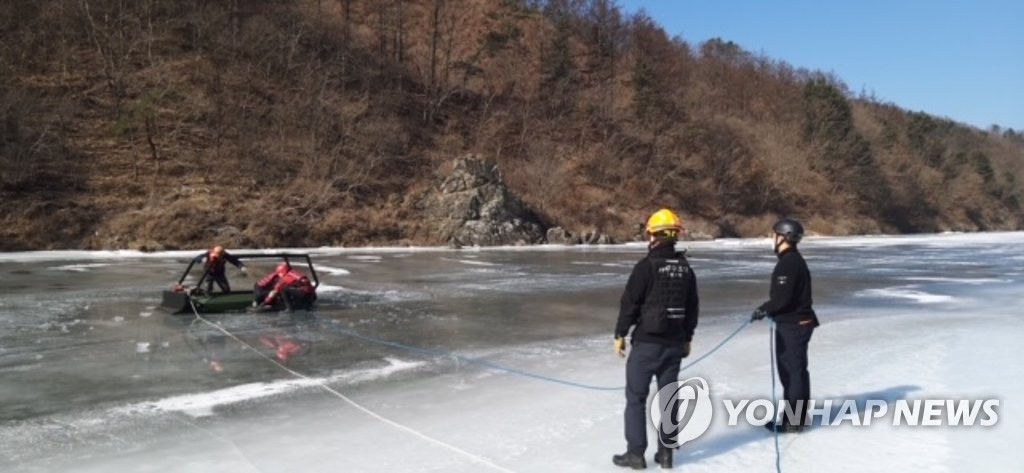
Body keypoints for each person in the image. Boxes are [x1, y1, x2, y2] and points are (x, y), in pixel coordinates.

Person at [613, 208, 700, 470]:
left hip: (647, 345)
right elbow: (692, 308)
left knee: (636, 398)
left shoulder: (645, 267)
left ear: (654, 236)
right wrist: (687, 338)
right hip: (674, 345)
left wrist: (620, 334)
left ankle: (635, 454)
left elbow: (629, 304)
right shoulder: (686, 269)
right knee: (668, 398)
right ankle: (666, 454)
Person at [750, 218, 820, 433]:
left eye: (774, 235)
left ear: (783, 237)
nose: (772, 239)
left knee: (792, 372)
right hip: (797, 322)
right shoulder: (793, 260)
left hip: (794, 324)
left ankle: (794, 421)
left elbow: (782, 299)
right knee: (796, 371)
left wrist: (764, 309)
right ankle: (796, 416)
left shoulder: (788, 263)